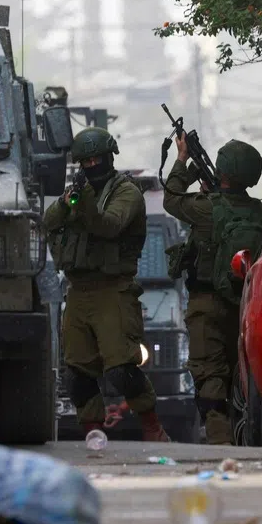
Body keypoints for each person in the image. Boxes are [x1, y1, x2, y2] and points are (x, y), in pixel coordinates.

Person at [44, 127, 170, 442]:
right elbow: (48, 221)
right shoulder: (78, 191)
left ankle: (153, 428)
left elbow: (109, 226)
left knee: (121, 369)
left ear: (109, 156)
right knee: (77, 374)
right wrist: (68, 200)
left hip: (112, 290)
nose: (91, 166)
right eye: (85, 161)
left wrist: (83, 202)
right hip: (78, 291)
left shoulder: (125, 192)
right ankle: (93, 434)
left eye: (97, 159)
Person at [162, 136, 262, 445]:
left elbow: (171, 199)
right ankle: (240, 439)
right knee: (238, 374)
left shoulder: (208, 208)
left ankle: (221, 443)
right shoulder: (257, 212)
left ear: (222, 170)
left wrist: (183, 162)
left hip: (206, 302)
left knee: (209, 374)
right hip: (242, 304)